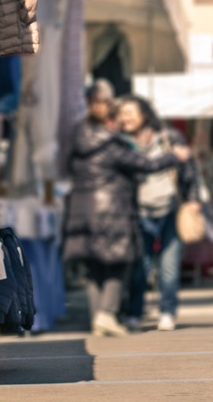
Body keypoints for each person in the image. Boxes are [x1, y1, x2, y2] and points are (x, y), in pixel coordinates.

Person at [62, 81, 187, 336]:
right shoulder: (110, 144)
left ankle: (98, 319)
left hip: (81, 211)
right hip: (111, 211)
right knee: (120, 263)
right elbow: (144, 164)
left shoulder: (78, 137)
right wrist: (174, 156)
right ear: (109, 120)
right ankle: (107, 313)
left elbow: (65, 168)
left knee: (94, 267)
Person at [115, 96, 195, 332]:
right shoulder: (120, 142)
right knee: (141, 266)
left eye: (130, 112)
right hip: (138, 211)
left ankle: (168, 311)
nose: (125, 117)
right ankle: (134, 312)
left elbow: (188, 168)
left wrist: (193, 198)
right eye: (122, 113)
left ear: (144, 114)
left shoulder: (169, 137)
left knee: (169, 267)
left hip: (171, 209)